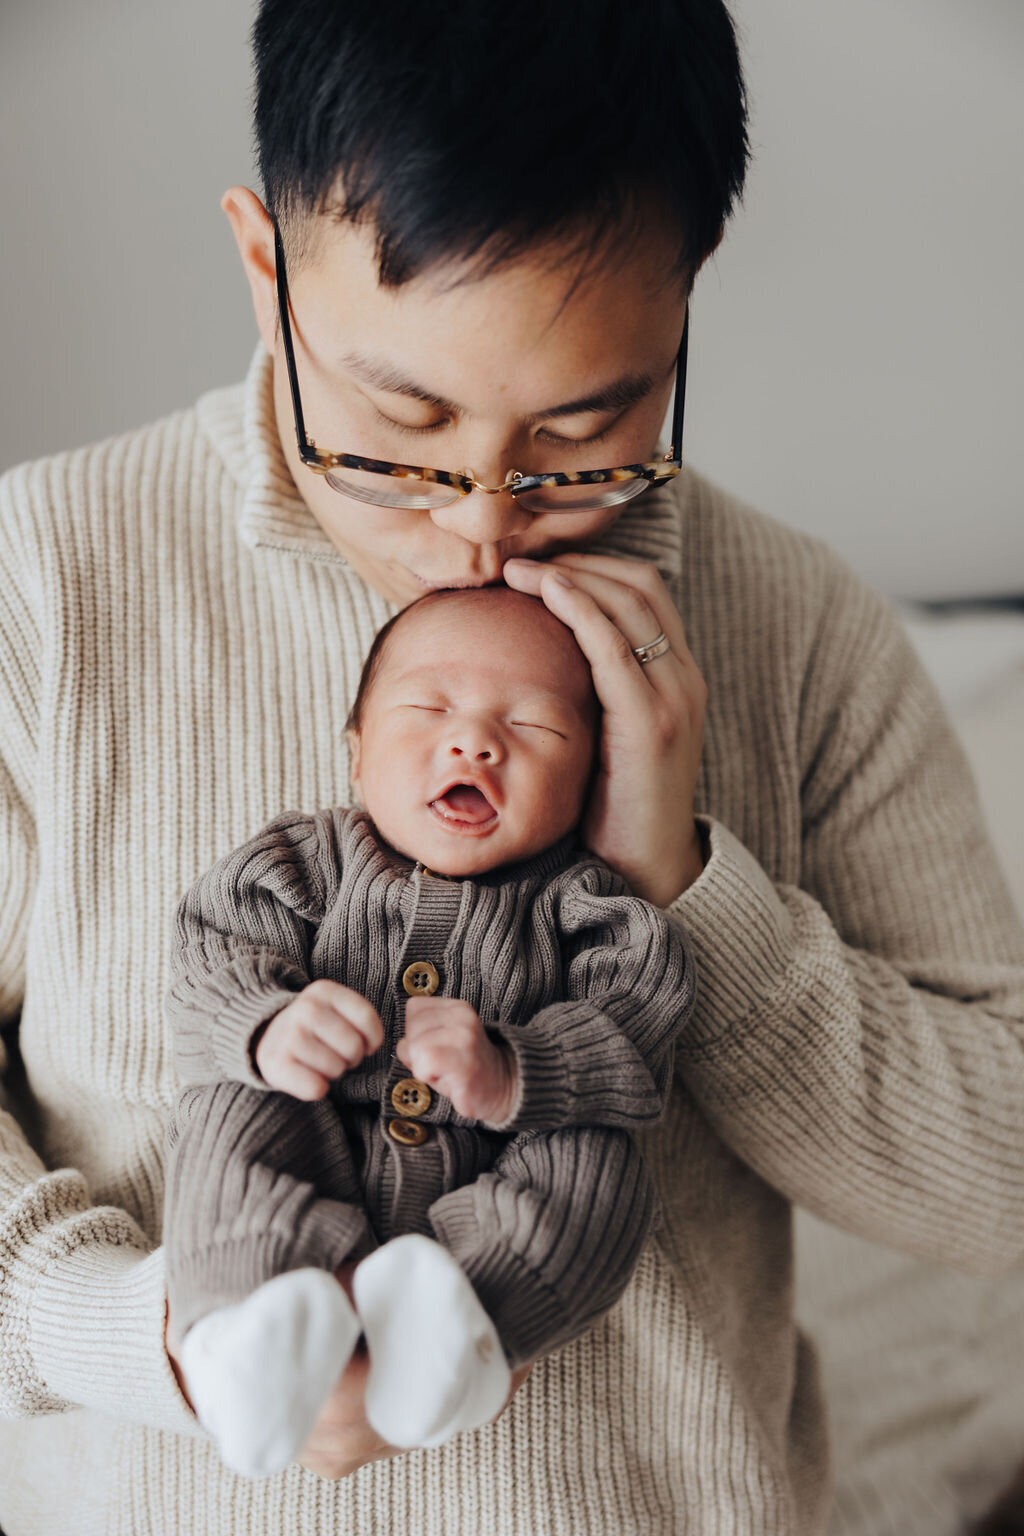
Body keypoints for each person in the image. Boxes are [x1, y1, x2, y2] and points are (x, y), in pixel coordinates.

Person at [0, 0, 1021, 1530]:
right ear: (264, 262)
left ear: (685, 297)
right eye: (401, 427)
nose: (482, 527)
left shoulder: (796, 625)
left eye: (586, 432)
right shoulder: (44, 581)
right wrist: (145, 1333)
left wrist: (686, 892)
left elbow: (999, 1174)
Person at [162, 585, 695, 1477]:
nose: (477, 741)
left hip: (500, 1159)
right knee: (228, 1112)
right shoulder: (300, 860)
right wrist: (267, 1024)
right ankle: (244, 1327)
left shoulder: (588, 905)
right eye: (430, 708)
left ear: (591, 778)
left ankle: (459, 1325)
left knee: (595, 1169)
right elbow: (211, 950)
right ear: (358, 753)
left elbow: (637, 1026)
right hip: (311, 1124)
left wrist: (517, 1068)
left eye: (535, 727)